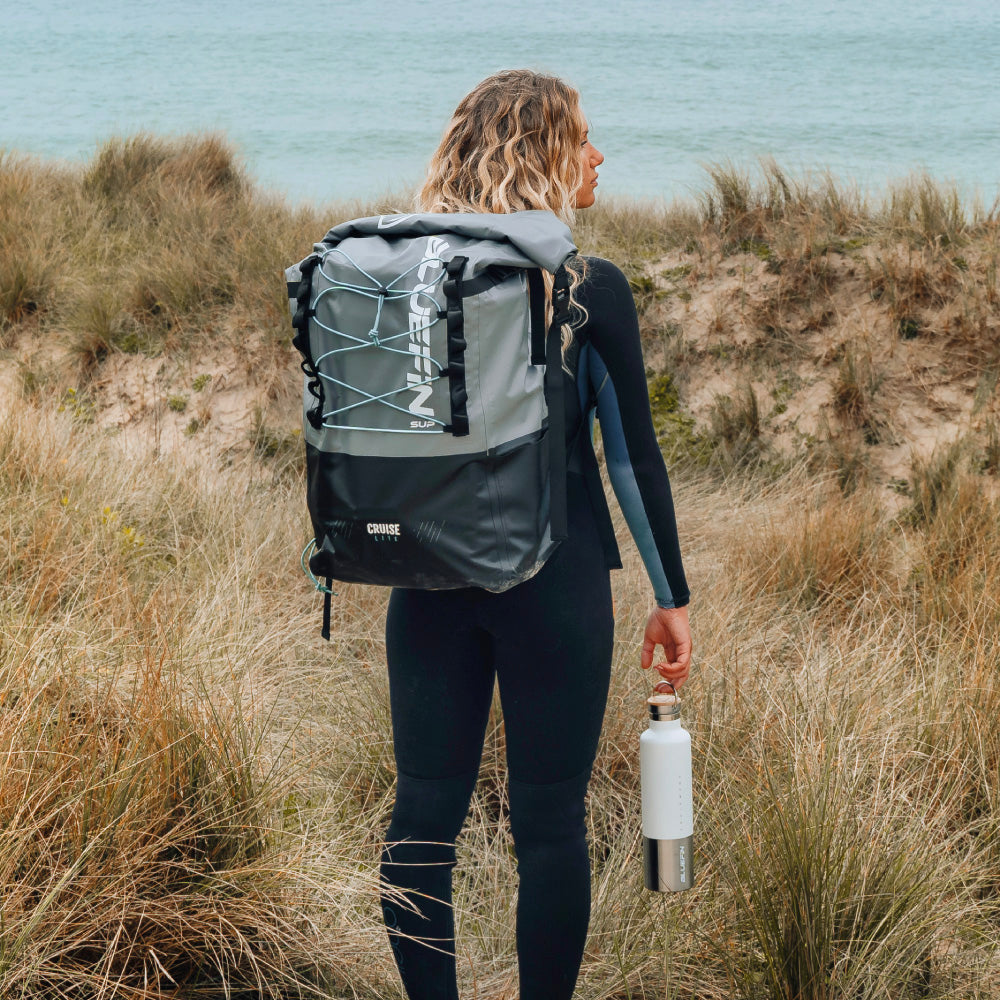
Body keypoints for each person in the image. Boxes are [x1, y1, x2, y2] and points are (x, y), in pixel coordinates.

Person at [379, 69, 692, 1000]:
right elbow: (633, 463)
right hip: (554, 588)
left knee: (422, 818)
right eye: (584, 137)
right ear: (543, 151)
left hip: (426, 581)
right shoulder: (587, 287)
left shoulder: (406, 277)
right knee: (549, 824)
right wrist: (670, 600)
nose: (598, 156)